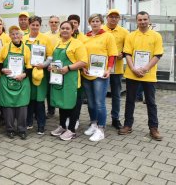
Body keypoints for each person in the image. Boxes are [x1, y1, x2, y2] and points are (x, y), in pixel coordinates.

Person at [119, 11, 164, 141]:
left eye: (145, 19)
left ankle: (153, 128)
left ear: (149, 20)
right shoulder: (131, 36)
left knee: (151, 102)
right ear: (136, 21)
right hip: (132, 74)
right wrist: (133, 68)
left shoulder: (156, 36)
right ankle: (128, 125)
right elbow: (127, 53)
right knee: (130, 100)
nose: (143, 22)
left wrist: (145, 68)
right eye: (140, 20)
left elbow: (158, 55)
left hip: (148, 74)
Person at [82, 14, 117, 142]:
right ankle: (94, 123)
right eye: (92, 21)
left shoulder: (108, 36)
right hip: (87, 73)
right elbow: (82, 55)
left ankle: (101, 129)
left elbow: (112, 55)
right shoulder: (85, 37)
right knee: (90, 102)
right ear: (89, 23)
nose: (95, 23)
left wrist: (108, 70)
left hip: (100, 74)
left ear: (101, 22)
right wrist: (82, 67)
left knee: (99, 103)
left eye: (97, 21)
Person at [50, 21, 87, 140]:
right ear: (60, 30)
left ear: (72, 30)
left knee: (73, 104)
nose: (65, 30)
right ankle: (62, 126)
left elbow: (83, 62)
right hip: (59, 78)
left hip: (71, 79)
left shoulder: (77, 44)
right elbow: (55, 59)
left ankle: (71, 129)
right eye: (63, 28)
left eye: (67, 28)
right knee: (61, 102)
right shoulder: (58, 43)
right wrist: (51, 66)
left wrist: (69, 68)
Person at [0, 25, 32, 140]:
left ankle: (22, 129)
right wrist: (2, 69)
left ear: (21, 36)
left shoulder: (26, 49)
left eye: (17, 34)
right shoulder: (6, 47)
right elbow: (0, 61)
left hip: (22, 81)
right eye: (13, 34)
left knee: (22, 107)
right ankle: (10, 129)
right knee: (8, 107)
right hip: (7, 81)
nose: (15, 36)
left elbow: (29, 66)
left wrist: (24, 74)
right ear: (10, 36)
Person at [23, 16, 53, 135]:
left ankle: (41, 125)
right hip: (27, 73)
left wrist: (44, 64)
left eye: (37, 25)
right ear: (29, 25)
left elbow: (50, 56)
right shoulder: (24, 38)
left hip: (40, 73)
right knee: (29, 98)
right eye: (33, 25)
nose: (35, 27)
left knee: (40, 100)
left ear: (40, 26)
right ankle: (29, 122)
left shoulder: (45, 38)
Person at [102, 9, 129, 129]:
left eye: (116, 17)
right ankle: (99, 117)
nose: (113, 19)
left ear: (119, 19)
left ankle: (115, 118)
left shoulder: (124, 32)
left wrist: (122, 54)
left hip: (117, 69)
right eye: (111, 16)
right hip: (102, 68)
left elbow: (128, 48)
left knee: (116, 95)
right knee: (100, 94)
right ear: (106, 18)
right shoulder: (101, 30)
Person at [44, 15, 61, 119]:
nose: (54, 24)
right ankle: (51, 110)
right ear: (49, 23)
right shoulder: (45, 35)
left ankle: (61, 107)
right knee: (48, 89)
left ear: (59, 23)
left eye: (56, 22)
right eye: (52, 22)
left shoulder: (62, 34)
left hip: (59, 65)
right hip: (48, 65)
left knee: (58, 87)